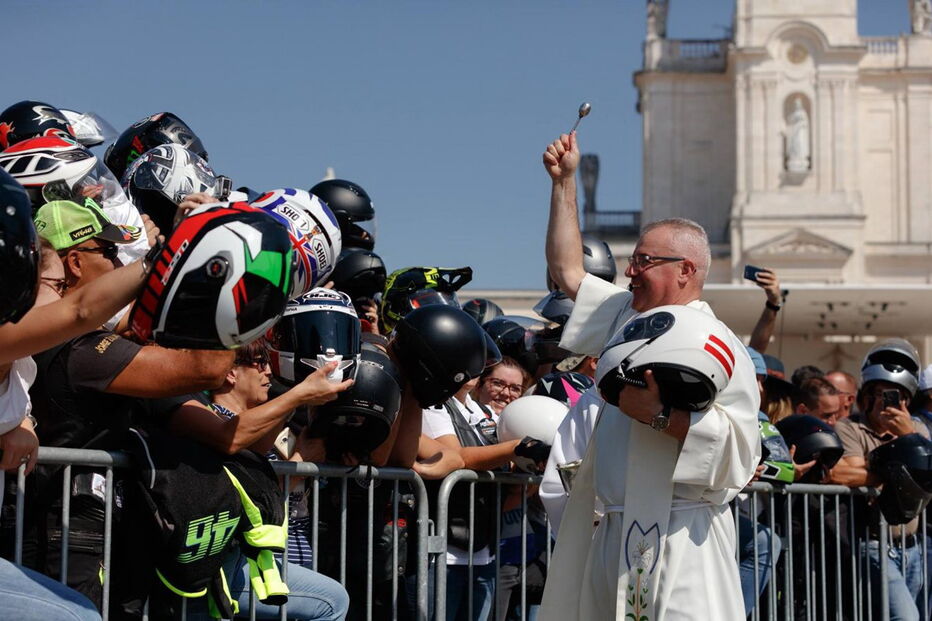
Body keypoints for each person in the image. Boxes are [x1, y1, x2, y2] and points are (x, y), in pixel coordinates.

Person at [538, 131, 759, 620]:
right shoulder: (625, 319)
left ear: (685, 269)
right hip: (615, 537)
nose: (630, 272)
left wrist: (659, 416)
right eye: (632, 261)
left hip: (684, 539)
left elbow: (739, 448)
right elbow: (567, 271)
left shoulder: (718, 343)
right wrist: (564, 184)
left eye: (643, 261)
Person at [829, 339, 928, 621]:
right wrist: (905, 467)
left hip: (912, 545)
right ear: (867, 395)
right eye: (882, 394)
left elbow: (928, 474)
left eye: (896, 396)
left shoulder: (917, 428)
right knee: (906, 618)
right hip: (874, 543)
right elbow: (842, 472)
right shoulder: (850, 427)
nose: (889, 403)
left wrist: (907, 436)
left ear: (908, 399)